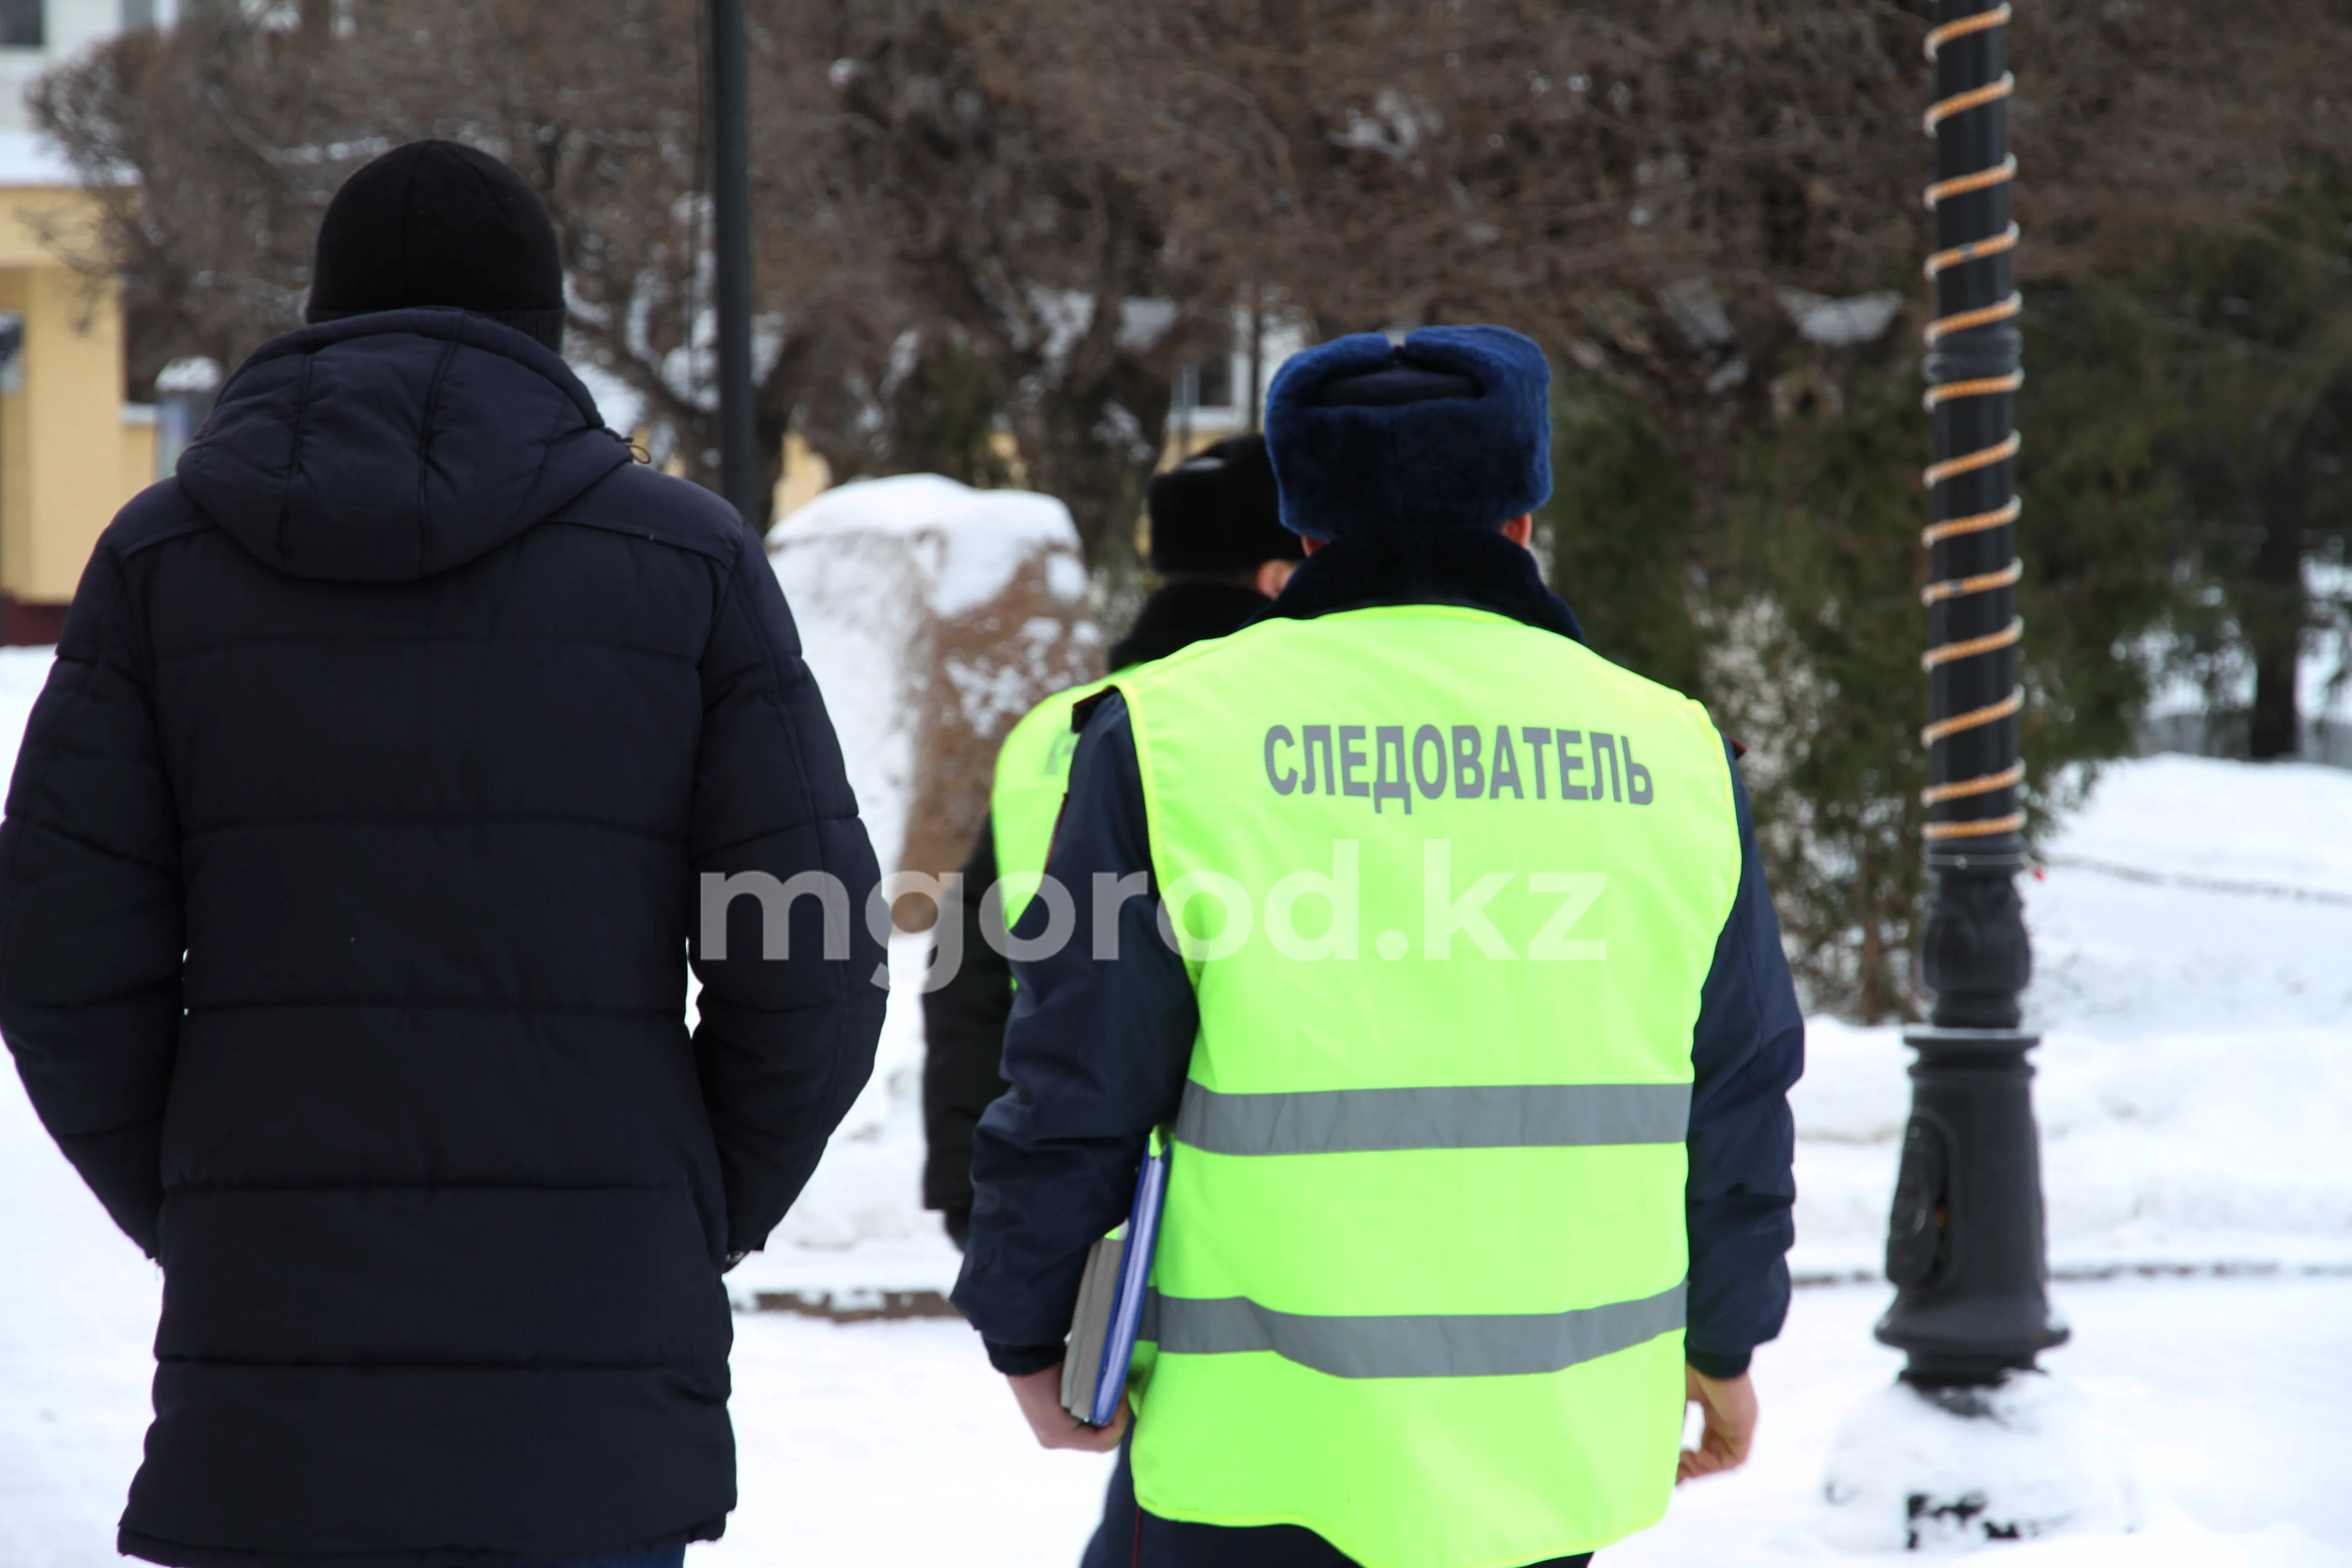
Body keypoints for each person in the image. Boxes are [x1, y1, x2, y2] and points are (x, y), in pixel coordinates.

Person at [0, 140, 886, 1568]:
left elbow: (56, 961)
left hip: (274, 1376)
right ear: (547, 332)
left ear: (317, 312)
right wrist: (688, 1207)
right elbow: (813, 961)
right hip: (589, 1394)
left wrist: (204, 1206)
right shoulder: (689, 561)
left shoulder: (163, 560)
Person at [952, 326, 1803, 1568]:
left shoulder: (1171, 736)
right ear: (1523, 517)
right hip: (1554, 1448)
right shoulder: (1673, 748)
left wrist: (1030, 1332)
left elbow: (1079, 1076)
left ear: (1304, 531)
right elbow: (1737, 1090)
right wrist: (1725, 1344)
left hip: (1257, 1448)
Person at [921, 433, 1302, 1250]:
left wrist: (971, 1187)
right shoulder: (1283, 735)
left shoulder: (1054, 730)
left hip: (1069, 1180)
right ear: (1278, 577)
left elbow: (969, 974)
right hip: (1246, 1193)